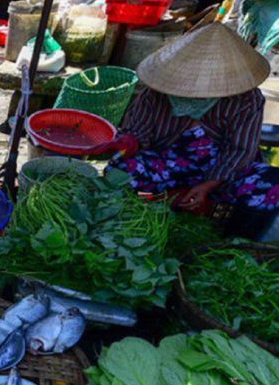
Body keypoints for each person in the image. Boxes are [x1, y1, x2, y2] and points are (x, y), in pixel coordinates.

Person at [97, 23, 279, 234]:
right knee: (119, 171)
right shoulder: (156, 92)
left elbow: (240, 150)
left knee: (272, 184)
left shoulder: (247, 100)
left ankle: (216, 214)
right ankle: (173, 198)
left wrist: (208, 185)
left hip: (224, 172)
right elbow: (137, 131)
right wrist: (125, 143)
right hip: (167, 165)